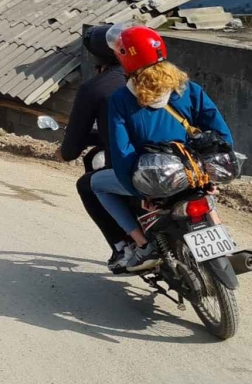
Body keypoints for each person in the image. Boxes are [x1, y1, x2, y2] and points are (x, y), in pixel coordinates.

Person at [93, 24, 235, 273]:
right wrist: (211, 174)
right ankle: (226, 247)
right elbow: (221, 134)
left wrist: (140, 192)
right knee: (204, 193)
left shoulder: (122, 99)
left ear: (126, 58)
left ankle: (143, 245)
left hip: (157, 179)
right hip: (193, 172)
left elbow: (122, 152)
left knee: (96, 184)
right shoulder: (188, 88)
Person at [59, 23, 132, 269]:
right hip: (182, 160)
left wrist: (67, 151)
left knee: (87, 185)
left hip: (135, 167)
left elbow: (71, 149)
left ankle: (123, 245)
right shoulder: (162, 81)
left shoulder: (97, 88)